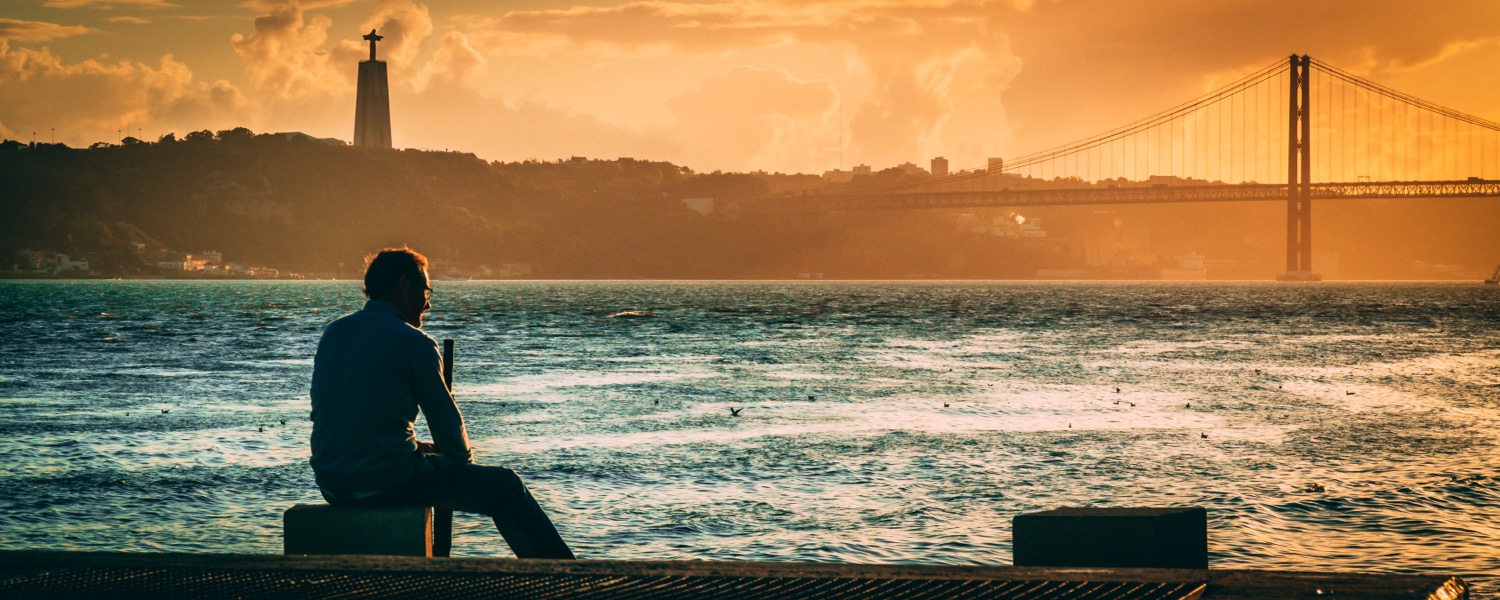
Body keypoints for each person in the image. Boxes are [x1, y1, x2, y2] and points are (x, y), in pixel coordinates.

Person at [309, 247, 574, 559]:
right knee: (505, 486)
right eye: (425, 289)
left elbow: (348, 416)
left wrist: (410, 446)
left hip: (331, 484)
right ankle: (565, 577)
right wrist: (459, 465)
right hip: (383, 483)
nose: (429, 302)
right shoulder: (414, 343)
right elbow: (453, 440)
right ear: (404, 285)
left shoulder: (335, 332)